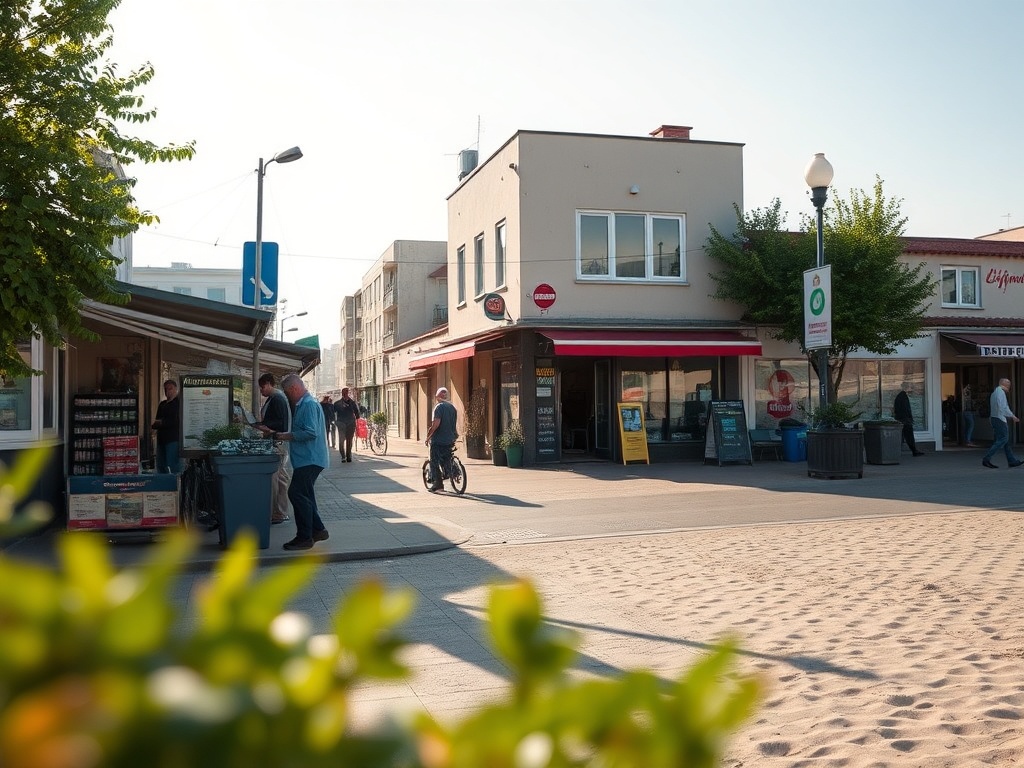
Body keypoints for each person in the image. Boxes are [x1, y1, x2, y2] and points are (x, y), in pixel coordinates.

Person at [255, 374, 330, 550]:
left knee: (296, 494)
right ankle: (318, 530)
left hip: (310, 459)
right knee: (305, 495)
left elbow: (311, 432)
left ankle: (304, 537)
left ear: (294, 389)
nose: (288, 397)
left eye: (288, 393)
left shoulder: (308, 405)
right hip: (309, 459)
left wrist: (284, 436)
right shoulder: (306, 403)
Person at [258, 373, 292, 525]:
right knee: (280, 477)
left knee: (279, 478)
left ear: (270, 384)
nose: (261, 391)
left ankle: (279, 511)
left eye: (262, 387)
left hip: (278, 443)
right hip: (276, 441)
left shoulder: (277, 399)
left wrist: (268, 427)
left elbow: (281, 423)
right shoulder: (274, 398)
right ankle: (279, 511)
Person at [982, 378, 1021, 469]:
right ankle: (986, 458)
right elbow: (1003, 407)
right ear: (1006, 385)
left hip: (994, 418)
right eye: (1009, 385)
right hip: (999, 419)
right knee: (1003, 439)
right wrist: (1012, 416)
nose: (1009, 387)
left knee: (1006, 442)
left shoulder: (994, 393)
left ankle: (1012, 461)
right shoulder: (1000, 393)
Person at [424, 386, 458, 492]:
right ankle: (453, 472)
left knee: (434, 461)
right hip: (450, 438)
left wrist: (428, 436)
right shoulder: (452, 408)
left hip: (439, 439)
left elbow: (436, 424)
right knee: (447, 458)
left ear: (437, 396)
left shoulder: (438, 407)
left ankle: (438, 485)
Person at [151, 379, 182, 473]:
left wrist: (161, 422)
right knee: (161, 465)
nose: (168, 391)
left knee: (172, 465)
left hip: (173, 439)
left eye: (170, 389)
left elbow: (175, 421)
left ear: (175, 389)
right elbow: (155, 422)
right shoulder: (162, 404)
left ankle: (175, 485)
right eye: (166, 389)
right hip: (161, 440)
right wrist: (159, 423)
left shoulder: (178, 404)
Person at [894, 381, 925, 457]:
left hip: (902, 419)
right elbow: (906, 409)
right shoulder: (903, 396)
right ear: (906, 387)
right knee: (909, 436)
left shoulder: (900, 396)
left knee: (904, 436)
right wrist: (909, 418)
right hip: (905, 419)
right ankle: (914, 450)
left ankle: (912, 450)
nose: (911, 389)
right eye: (910, 387)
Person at [333, 387, 360, 462]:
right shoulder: (337, 403)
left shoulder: (352, 403)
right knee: (342, 440)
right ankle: (343, 456)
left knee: (349, 440)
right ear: (343, 394)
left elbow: (357, 413)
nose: (346, 394)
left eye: (347, 393)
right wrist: (335, 422)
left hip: (350, 423)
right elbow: (333, 413)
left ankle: (348, 456)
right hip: (342, 423)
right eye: (346, 393)